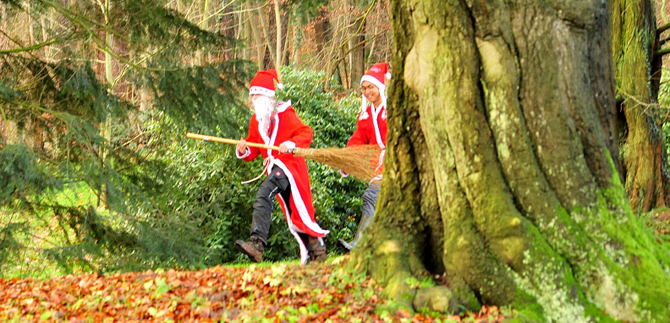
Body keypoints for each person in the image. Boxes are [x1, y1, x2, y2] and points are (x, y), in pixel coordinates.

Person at [235, 69, 329, 265]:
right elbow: (253, 149)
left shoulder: (286, 114)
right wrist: (244, 149)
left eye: (257, 96)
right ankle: (317, 252)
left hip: (290, 168)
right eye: (252, 96)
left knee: (264, 193)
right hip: (275, 169)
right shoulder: (256, 121)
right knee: (295, 215)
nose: (254, 100)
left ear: (268, 96)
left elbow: (305, 132)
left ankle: (257, 244)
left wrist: (291, 144)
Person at [338, 62, 389, 251]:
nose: (368, 92)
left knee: (371, 196)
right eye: (365, 88)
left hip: (395, 163)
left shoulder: (392, 109)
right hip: (379, 166)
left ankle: (359, 244)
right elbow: (358, 141)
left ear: (381, 87)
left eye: (372, 87)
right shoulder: (365, 116)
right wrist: (347, 160)